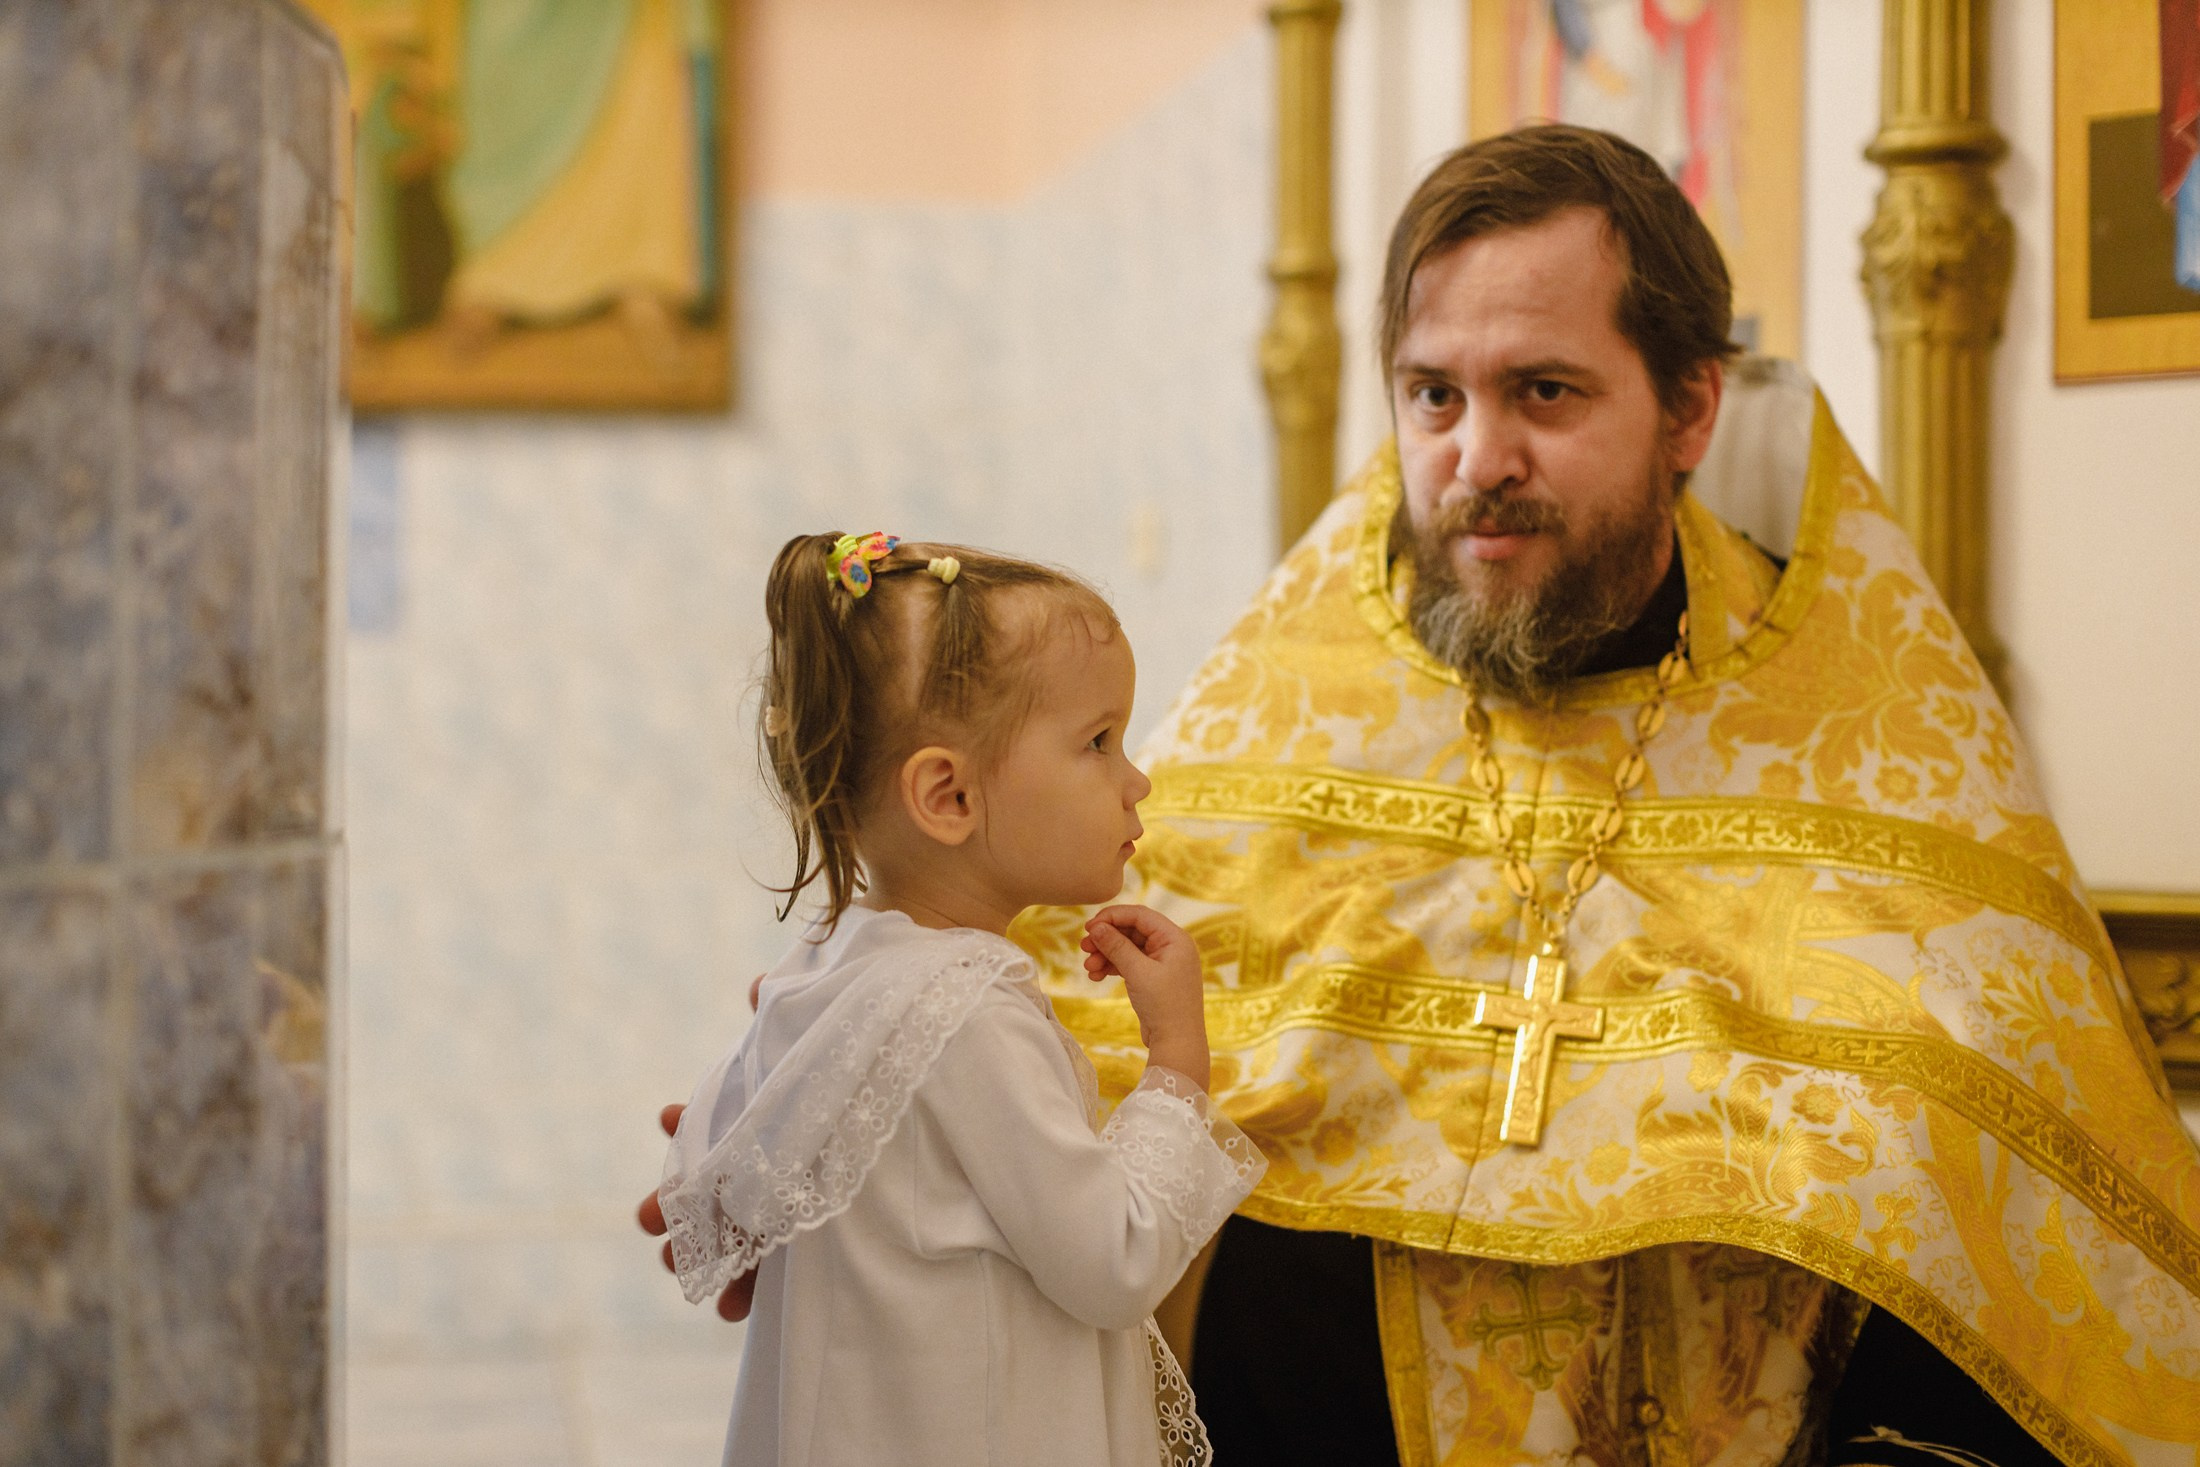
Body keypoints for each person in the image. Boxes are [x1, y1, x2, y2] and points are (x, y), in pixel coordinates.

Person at [647, 125, 2200, 1465]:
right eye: (1431, 396)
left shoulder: (1861, 727)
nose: (1475, 459)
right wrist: (835, 1141)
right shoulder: (1299, 682)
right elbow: (1035, 1023)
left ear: (1689, 411)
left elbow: (1980, 1170)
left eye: (1543, 391)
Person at [651, 532, 1264, 1467]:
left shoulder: (829, 961)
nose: (1136, 779)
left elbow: (714, 1176)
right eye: (1098, 742)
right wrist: (1177, 1063)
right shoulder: (969, 1012)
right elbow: (1115, 1258)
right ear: (948, 794)